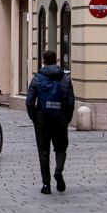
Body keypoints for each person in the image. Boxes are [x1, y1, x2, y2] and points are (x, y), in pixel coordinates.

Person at [26, 50, 75, 194]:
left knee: (43, 151)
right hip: (60, 118)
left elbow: (29, 101)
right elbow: (71, 101)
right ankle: (58, 170)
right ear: (56, 60)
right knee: (61, 148)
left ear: (43, 61)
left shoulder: (37, 78)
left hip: (43, 119)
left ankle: (46, 184)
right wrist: (67, 119)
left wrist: (34, 118)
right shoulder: (65, 78)